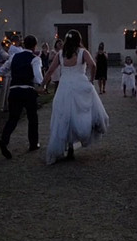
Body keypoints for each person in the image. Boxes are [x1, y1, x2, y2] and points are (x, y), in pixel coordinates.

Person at [42, 30, 109, 164]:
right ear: (79, 39)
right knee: (81, 112)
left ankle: (70, 146)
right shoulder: (83, 52)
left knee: (65, 115)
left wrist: (42, 85)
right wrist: (91, 79)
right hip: (80, 83)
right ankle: (83, 134)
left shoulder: (61, 54)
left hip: (65, 86)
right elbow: (93, 65)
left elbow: (50, 70)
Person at [0, 35, 43, 159]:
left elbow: (3, 69)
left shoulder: (14, 57)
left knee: (13, 118)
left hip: (14, 90)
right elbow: (38, 75)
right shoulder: (35, 59)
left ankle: (4, 140)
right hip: (28, 90)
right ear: (35, 46)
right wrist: (42, 86)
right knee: (32, 118)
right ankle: (33, 143)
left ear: (24, 44)